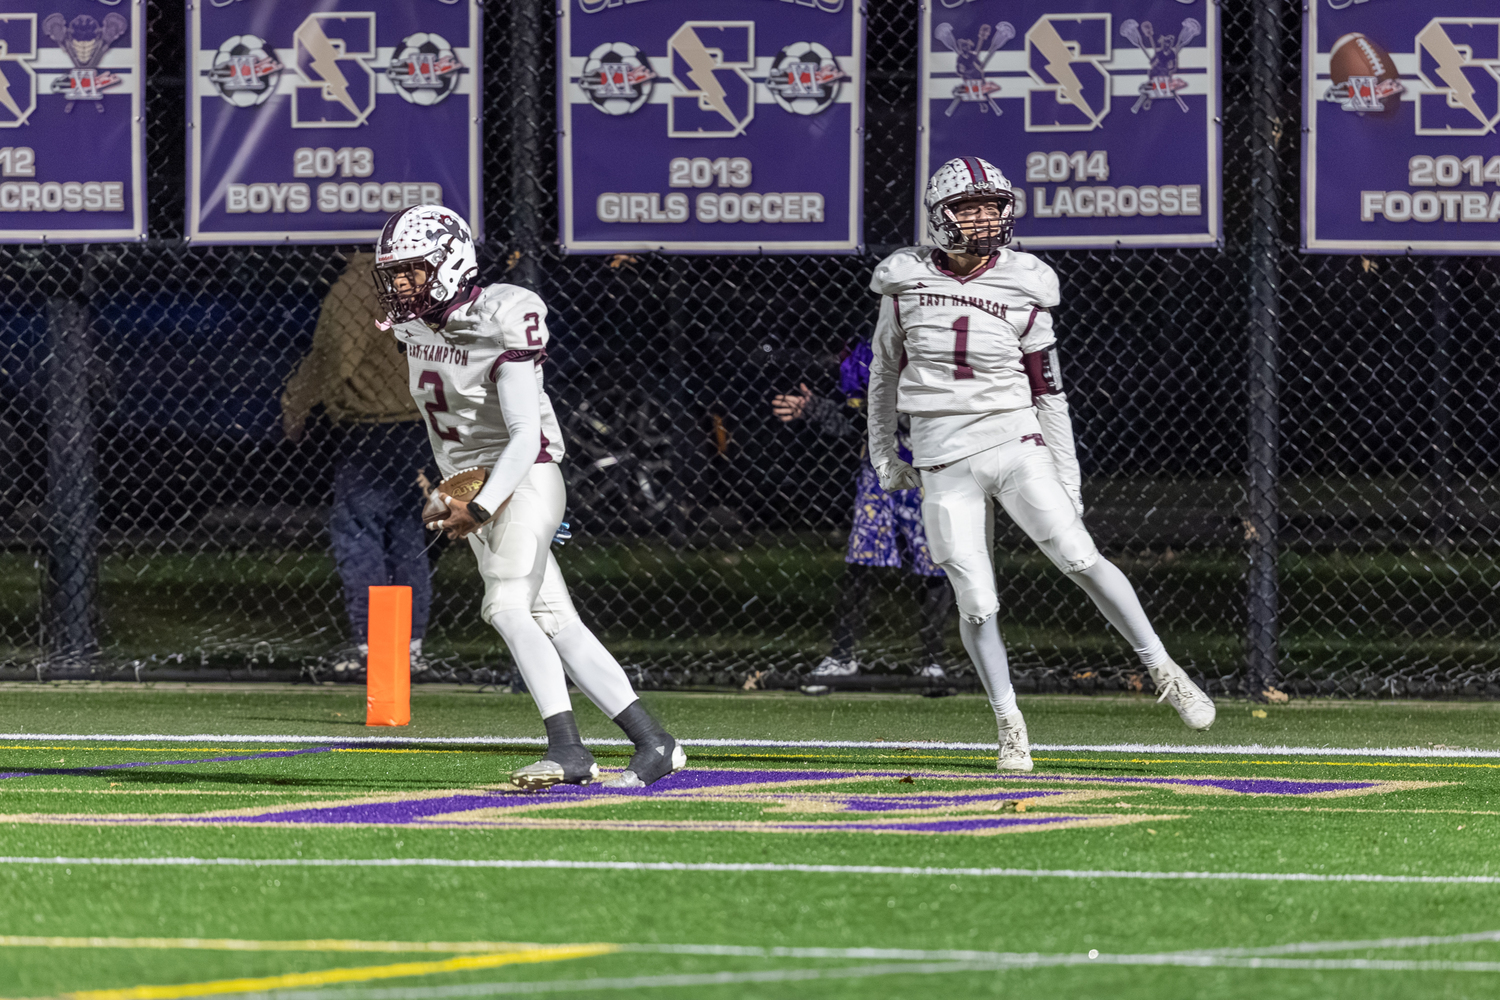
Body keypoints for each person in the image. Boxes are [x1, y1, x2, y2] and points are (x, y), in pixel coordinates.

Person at [866, 156, 1216, 771]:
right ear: (938, 216)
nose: (985, 218)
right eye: (969, 208)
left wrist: (1069, 475)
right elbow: (882, 377)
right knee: (975, 600)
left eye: (993, 205)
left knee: (1078, 554)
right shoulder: (901, 286)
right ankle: (1009, 726)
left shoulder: (1027, 285)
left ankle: (1163, 668)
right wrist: (882, 454)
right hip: (942, 456)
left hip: (1013, 442)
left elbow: (1049, 392)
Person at [372, 204, 684, 790]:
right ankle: (655, 742)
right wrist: (448, 486)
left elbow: (526, 435)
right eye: (395, 273)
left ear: (447, 263)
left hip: (521, 475)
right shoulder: (412, 328)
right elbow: (451, 422)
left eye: (412, 270)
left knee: (505, 607)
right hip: (475, 486)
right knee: (556, 621)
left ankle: (567, 749)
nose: (400, 284)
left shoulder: (505, 315)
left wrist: (487, 505)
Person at [772, 339, 955, 693]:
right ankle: (843, 657)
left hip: (936, 468)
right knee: (862, 559)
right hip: (883, 469)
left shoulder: (942, 340)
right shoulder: (868, 352)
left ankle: (932, 662)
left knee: (935, 563)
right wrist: (813, 409)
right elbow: (851, 420)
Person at [281, 251, 432, 676]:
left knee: (359, 530)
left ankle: (374, 646)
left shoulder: (358, 284)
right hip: (420, 422)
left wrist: (297, 403)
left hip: (374, 426)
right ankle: (410, 645)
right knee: (407, 533)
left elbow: (333, 360)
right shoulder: (419, 277)